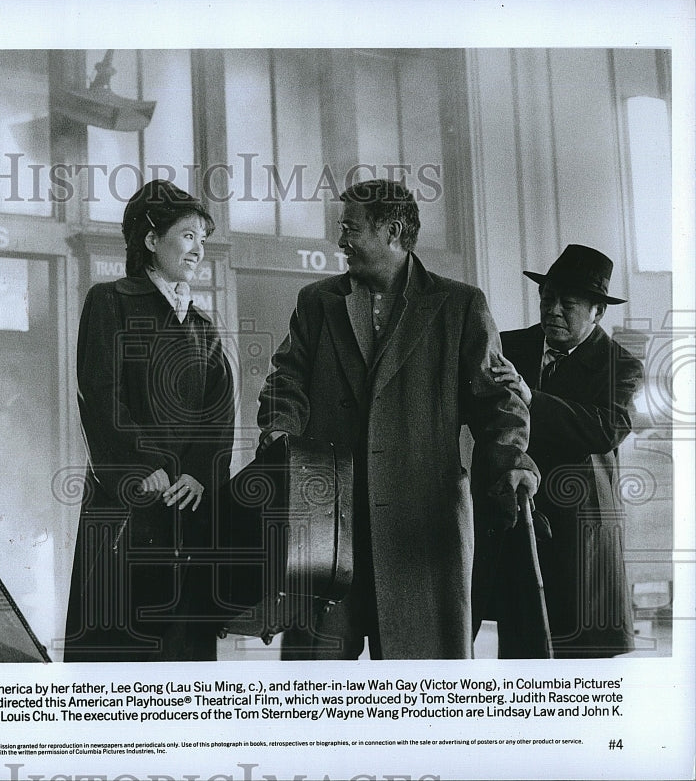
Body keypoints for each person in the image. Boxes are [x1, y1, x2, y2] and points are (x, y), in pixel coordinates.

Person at [257, 179, 538, 660]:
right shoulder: (315, 302)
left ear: (393, 231)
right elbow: (287, 379)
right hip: (327, 531)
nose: (341, 240)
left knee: (426, 697)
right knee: (310, 692)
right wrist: (280, 431)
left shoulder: (460, 304)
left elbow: (499, 396)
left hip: (421, 536)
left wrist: (512, 457)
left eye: (350, 229)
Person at [63, 180, 234, 662]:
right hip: (128, 506)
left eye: (203, 238)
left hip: (188, 511)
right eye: (187, 236)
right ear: (150, 240)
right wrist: (143, 465)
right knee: (121, 654)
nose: (199, 249)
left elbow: (220, 415)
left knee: (185, 661)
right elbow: (99, 397)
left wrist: (200, 474)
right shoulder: (109, 301)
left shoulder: (204, 326)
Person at [485, 244, 644, 658]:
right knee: (522, 659)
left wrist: (531, 398)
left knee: (583, 663)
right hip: (521, 525)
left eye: (568, 303)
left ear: (597, 311)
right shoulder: (509, 347)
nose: (552, 309)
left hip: (583, 541)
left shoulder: (621, 366)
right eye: (546, 298)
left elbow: (604, 428)